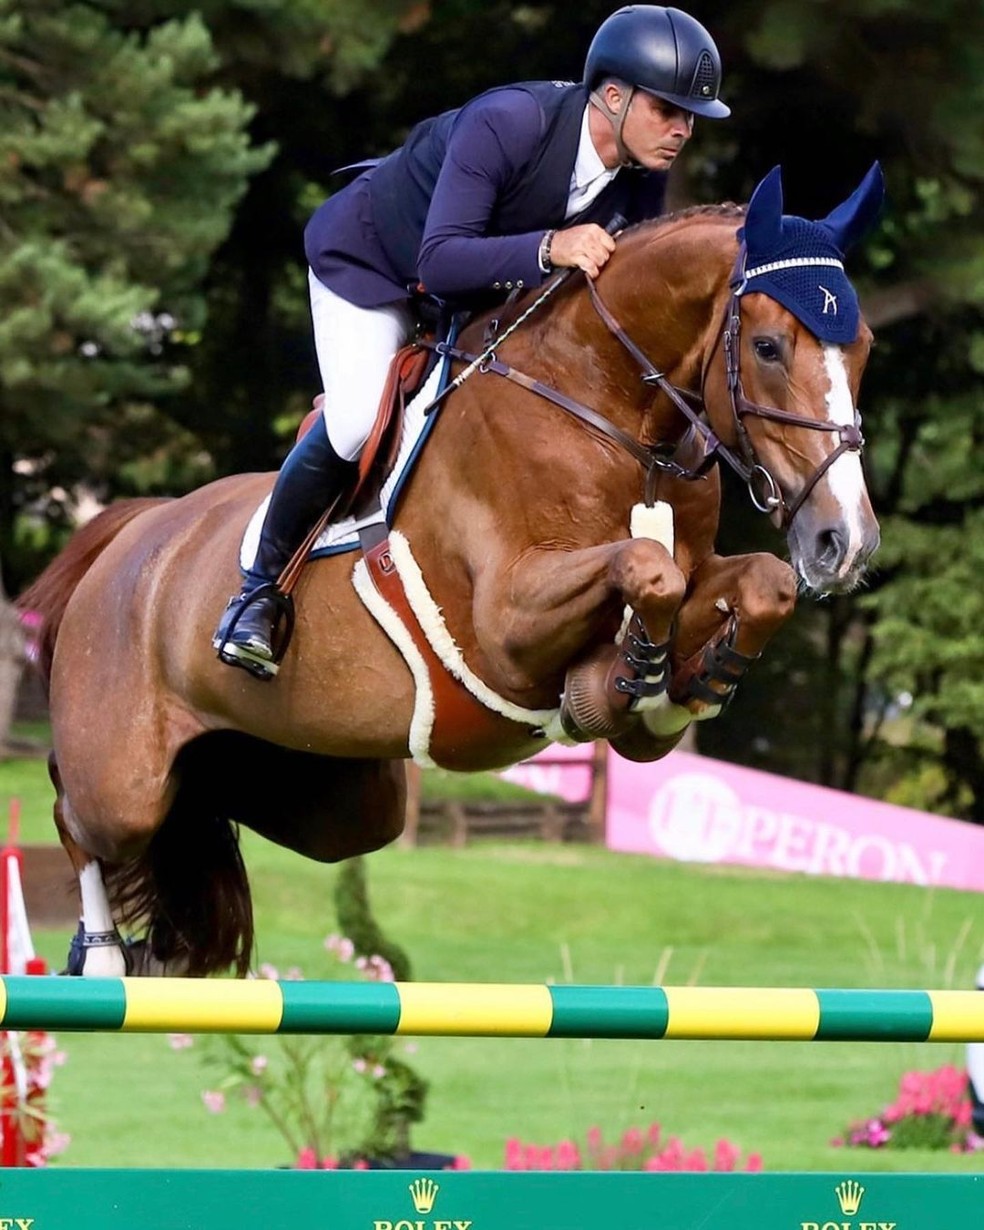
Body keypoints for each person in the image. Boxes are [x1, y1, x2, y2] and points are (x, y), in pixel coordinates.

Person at [214, 5, 731, 679]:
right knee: (353, 423)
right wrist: (550, 246)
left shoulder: (641, 175)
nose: (682, 130)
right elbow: (441, 260)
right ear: (611, 95)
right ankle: (256, 593)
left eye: (691, 117)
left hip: (480, 297)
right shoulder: (509, 122)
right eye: (669, 110)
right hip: (376, 268)